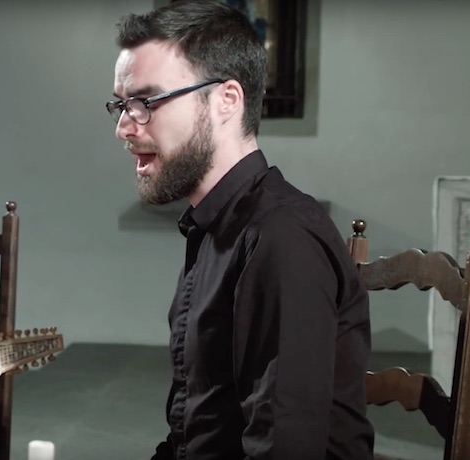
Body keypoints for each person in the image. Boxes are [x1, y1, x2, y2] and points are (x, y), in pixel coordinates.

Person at [107, 1, 374, 459]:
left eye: (145, 102)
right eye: (120, 104)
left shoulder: (282, 237)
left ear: (226, 100)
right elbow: (195, 433)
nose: (123, 127)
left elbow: (284, 448)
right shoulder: (213, 225)